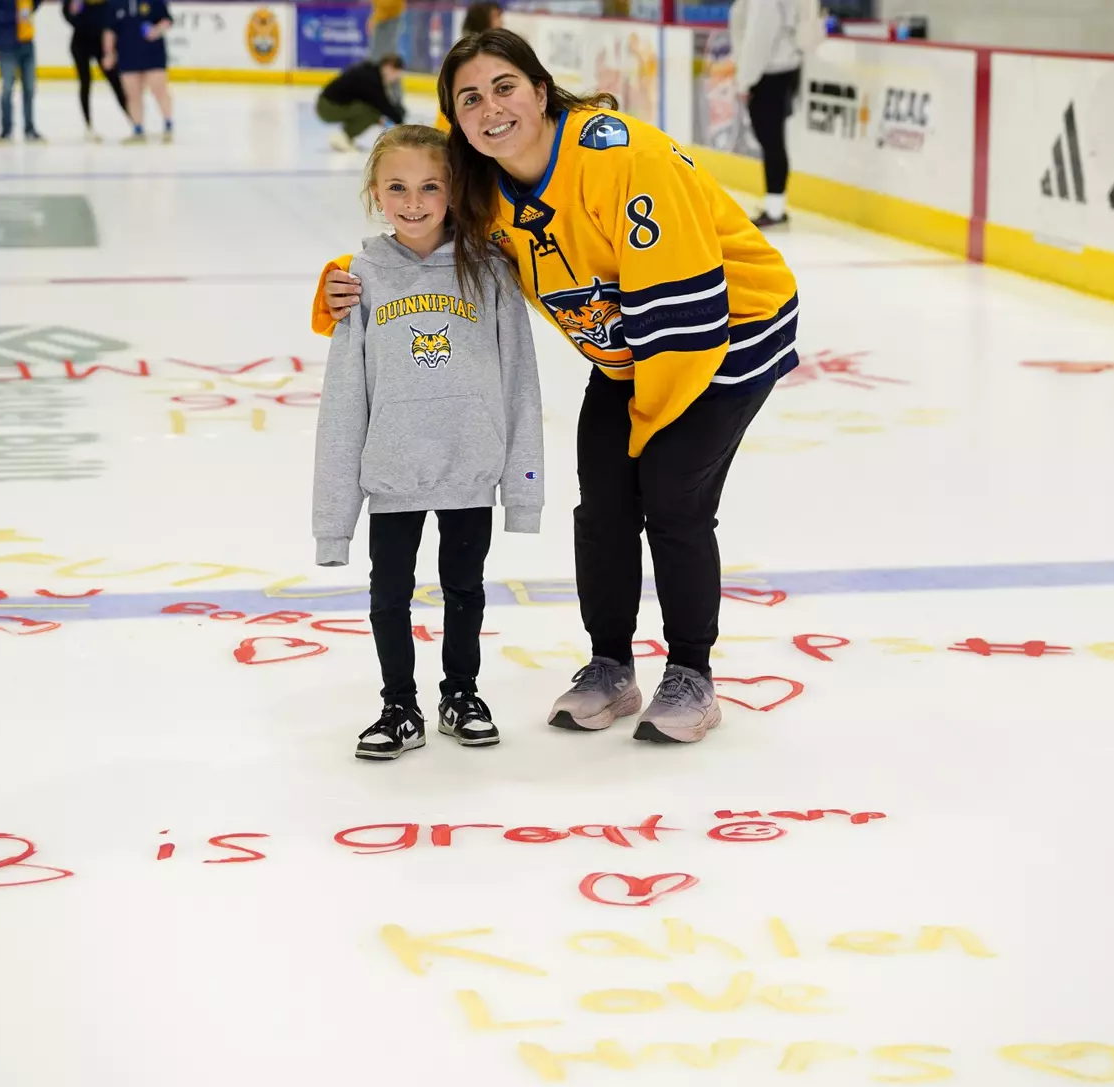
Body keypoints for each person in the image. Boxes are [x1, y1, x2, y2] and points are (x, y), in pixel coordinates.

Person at [312, 29, 800, 745]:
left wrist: (644, 426)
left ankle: (690, 675)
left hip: (723, 332)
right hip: (634, 352)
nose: (490, 108)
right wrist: (341, 287)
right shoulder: (483, 188)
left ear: (541, 91)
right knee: (602, 504)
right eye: (469, 98)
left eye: (504, 87)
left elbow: (684, 319)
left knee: (669, 500)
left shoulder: (623, 160)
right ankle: (609, 665)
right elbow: (425, 254)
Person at [313, 124, 544, 762]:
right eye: (397, 187)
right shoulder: (358, 279)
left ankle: (461, 694)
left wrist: (524, 491)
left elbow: (519, 383)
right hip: (392, 476)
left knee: (464, 589)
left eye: (430, 187)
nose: (413, 202)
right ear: (374, 193)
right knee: (388, 595)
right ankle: (398, 704)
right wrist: (333, 525)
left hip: (470, 469)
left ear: (453, 191)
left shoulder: (492, 273)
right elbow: (343, 405)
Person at [730, 0, 818, 228]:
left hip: (769, 72)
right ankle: (775, 205)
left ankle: (775, 208)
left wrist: (744, 81)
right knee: (773, 140)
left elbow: (759, 37)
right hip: (784, 68)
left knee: (771, 140)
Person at [102, 0, 174, 144]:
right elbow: (110, 30)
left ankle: (168, 125)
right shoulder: (115, 4)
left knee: (159, 90)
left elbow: (167, 20)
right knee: (132, 94)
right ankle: (138, 129)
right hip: (127, 54)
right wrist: (109, 53)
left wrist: (157, 30)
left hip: (153, 54)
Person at [62, 0, 127, 141]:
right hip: (80, 42)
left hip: (102, 42)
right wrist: (72, 12)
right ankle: (88, 126)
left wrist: (111, 46)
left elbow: (114, 15)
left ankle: (134, 120)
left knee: (114, 80)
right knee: (85, 82)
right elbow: (67, 13)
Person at [432, 2, 502, 132]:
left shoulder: (488, 51)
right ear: (483, 20)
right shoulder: (467, 56)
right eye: (496, 17)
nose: (501, 22)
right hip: (455, 131)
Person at [317, 54, 407, 153]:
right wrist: (403, 128)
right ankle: (344, 137)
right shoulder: (372, 80)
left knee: (372, 112)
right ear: (388, 67)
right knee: (371, 113)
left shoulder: (372, 73)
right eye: (395, 74)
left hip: (329, 103)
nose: (395, 79)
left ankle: (346, 137)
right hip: (327, 106)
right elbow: (384, 106)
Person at [0, 0, 44, 144]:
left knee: (29, 89)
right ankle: (6, 131)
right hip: (6, 45)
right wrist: (13, 16)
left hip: (27, 43)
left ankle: (29, 129)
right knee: (7, 89)